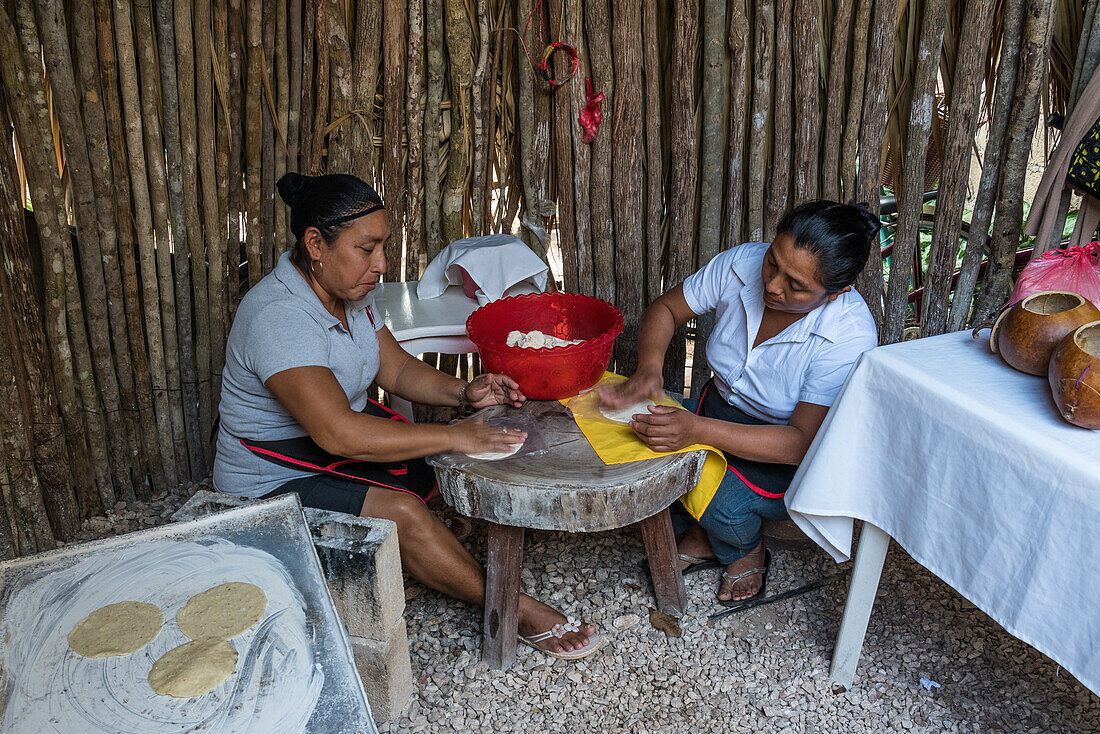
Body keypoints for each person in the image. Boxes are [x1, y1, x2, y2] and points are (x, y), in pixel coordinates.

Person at [213, 172, 600, 659]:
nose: (381, 264)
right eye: (366, 248)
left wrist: (465, 392)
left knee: (433, 467)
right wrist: (454, 437)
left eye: (383, 247)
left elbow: (393, 367)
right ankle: (511, 606)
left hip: (331, 441)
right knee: (405, 511)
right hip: (268, 476)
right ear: (315, 244)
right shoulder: (279, 316)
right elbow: (338, 434)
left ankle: (439, 552)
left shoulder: (347, 292)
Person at [601, 200, 880, 607]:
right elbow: (666, 308)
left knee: (717, 500)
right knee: (650, 460)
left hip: (783, 455)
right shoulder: (740, 264)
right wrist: (649, 368)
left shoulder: (849, 335)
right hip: (717, 408)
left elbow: (800, 444)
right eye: (773, 262)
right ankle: (705, 532)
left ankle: (744, 547)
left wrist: (696, 431)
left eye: (796, 286)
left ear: (838, 291)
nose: (772, 285)